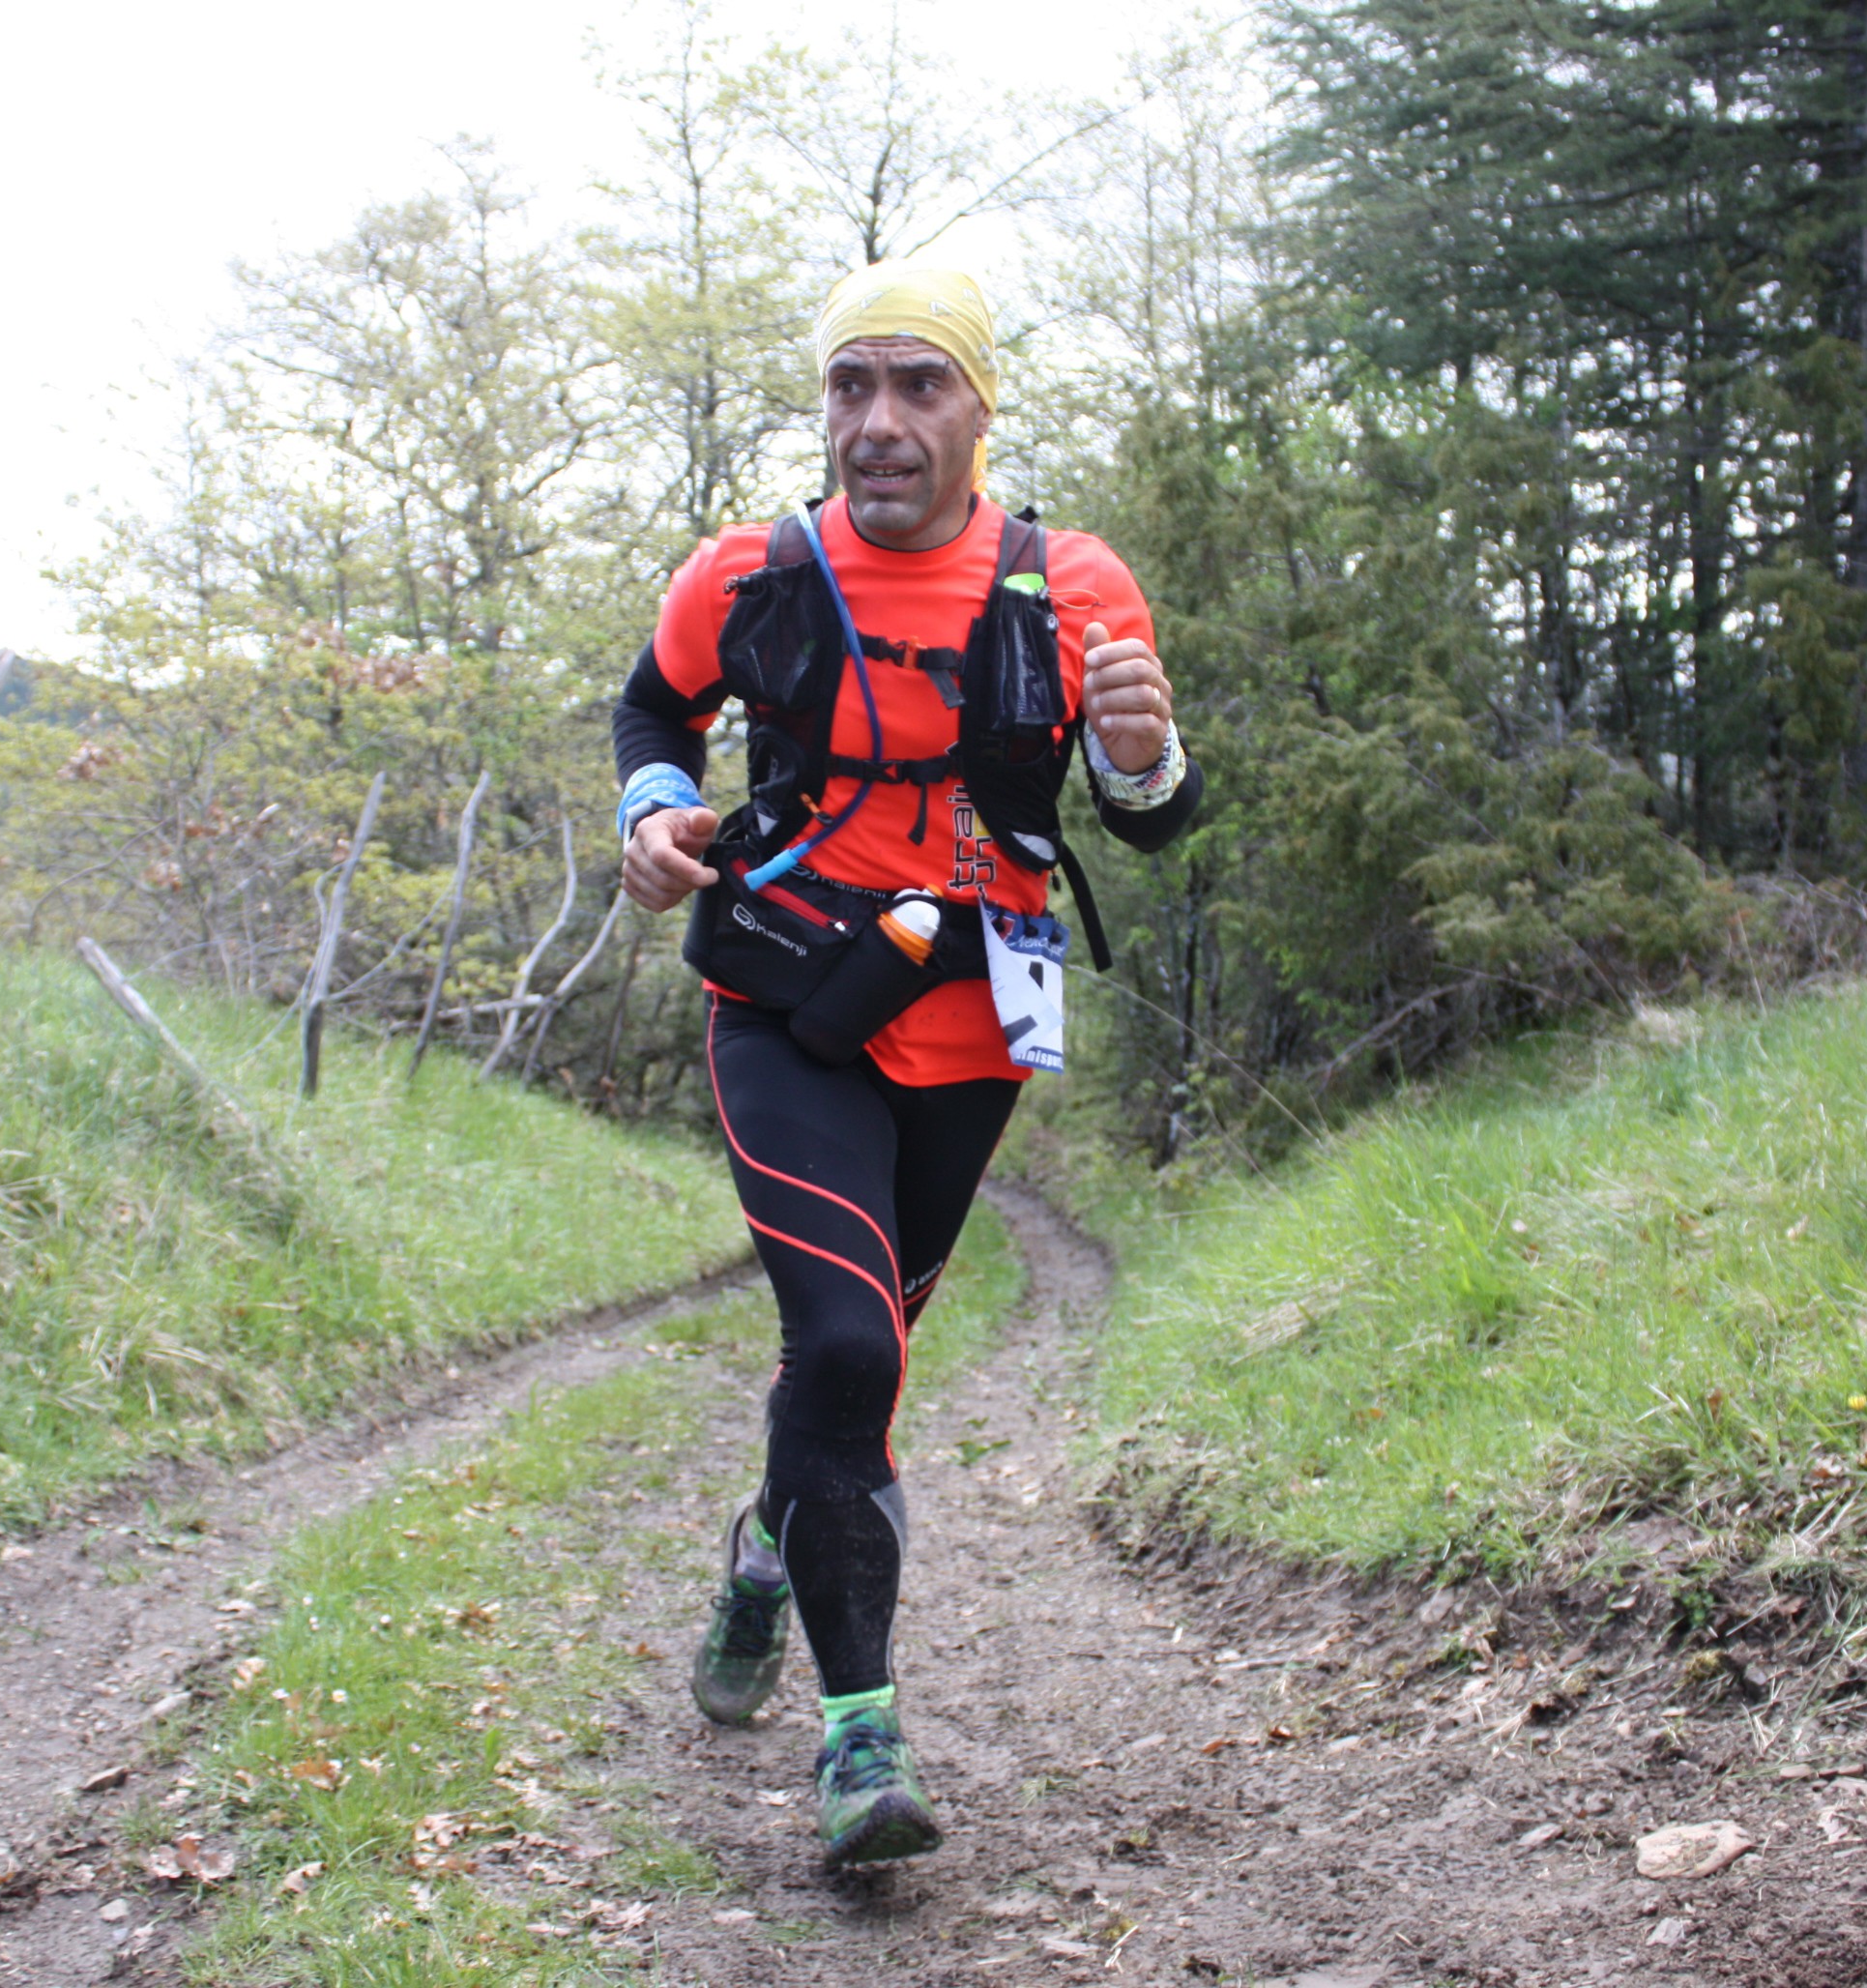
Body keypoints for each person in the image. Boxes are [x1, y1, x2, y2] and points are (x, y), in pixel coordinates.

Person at [609, 262, 1201, 1866]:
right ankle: (861, 1745)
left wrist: (1144, 758)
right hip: (787, 1007)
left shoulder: (1071, 586)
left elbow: (1146, 813)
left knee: (849, 1368)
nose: (880, 422)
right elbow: (653, 709)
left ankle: (761, 1548)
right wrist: (651, 815)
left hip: (971, 1030)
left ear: (979, 409)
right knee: (852, 1349)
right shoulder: (754, 573)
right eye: (851, 385)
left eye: (918, 386)